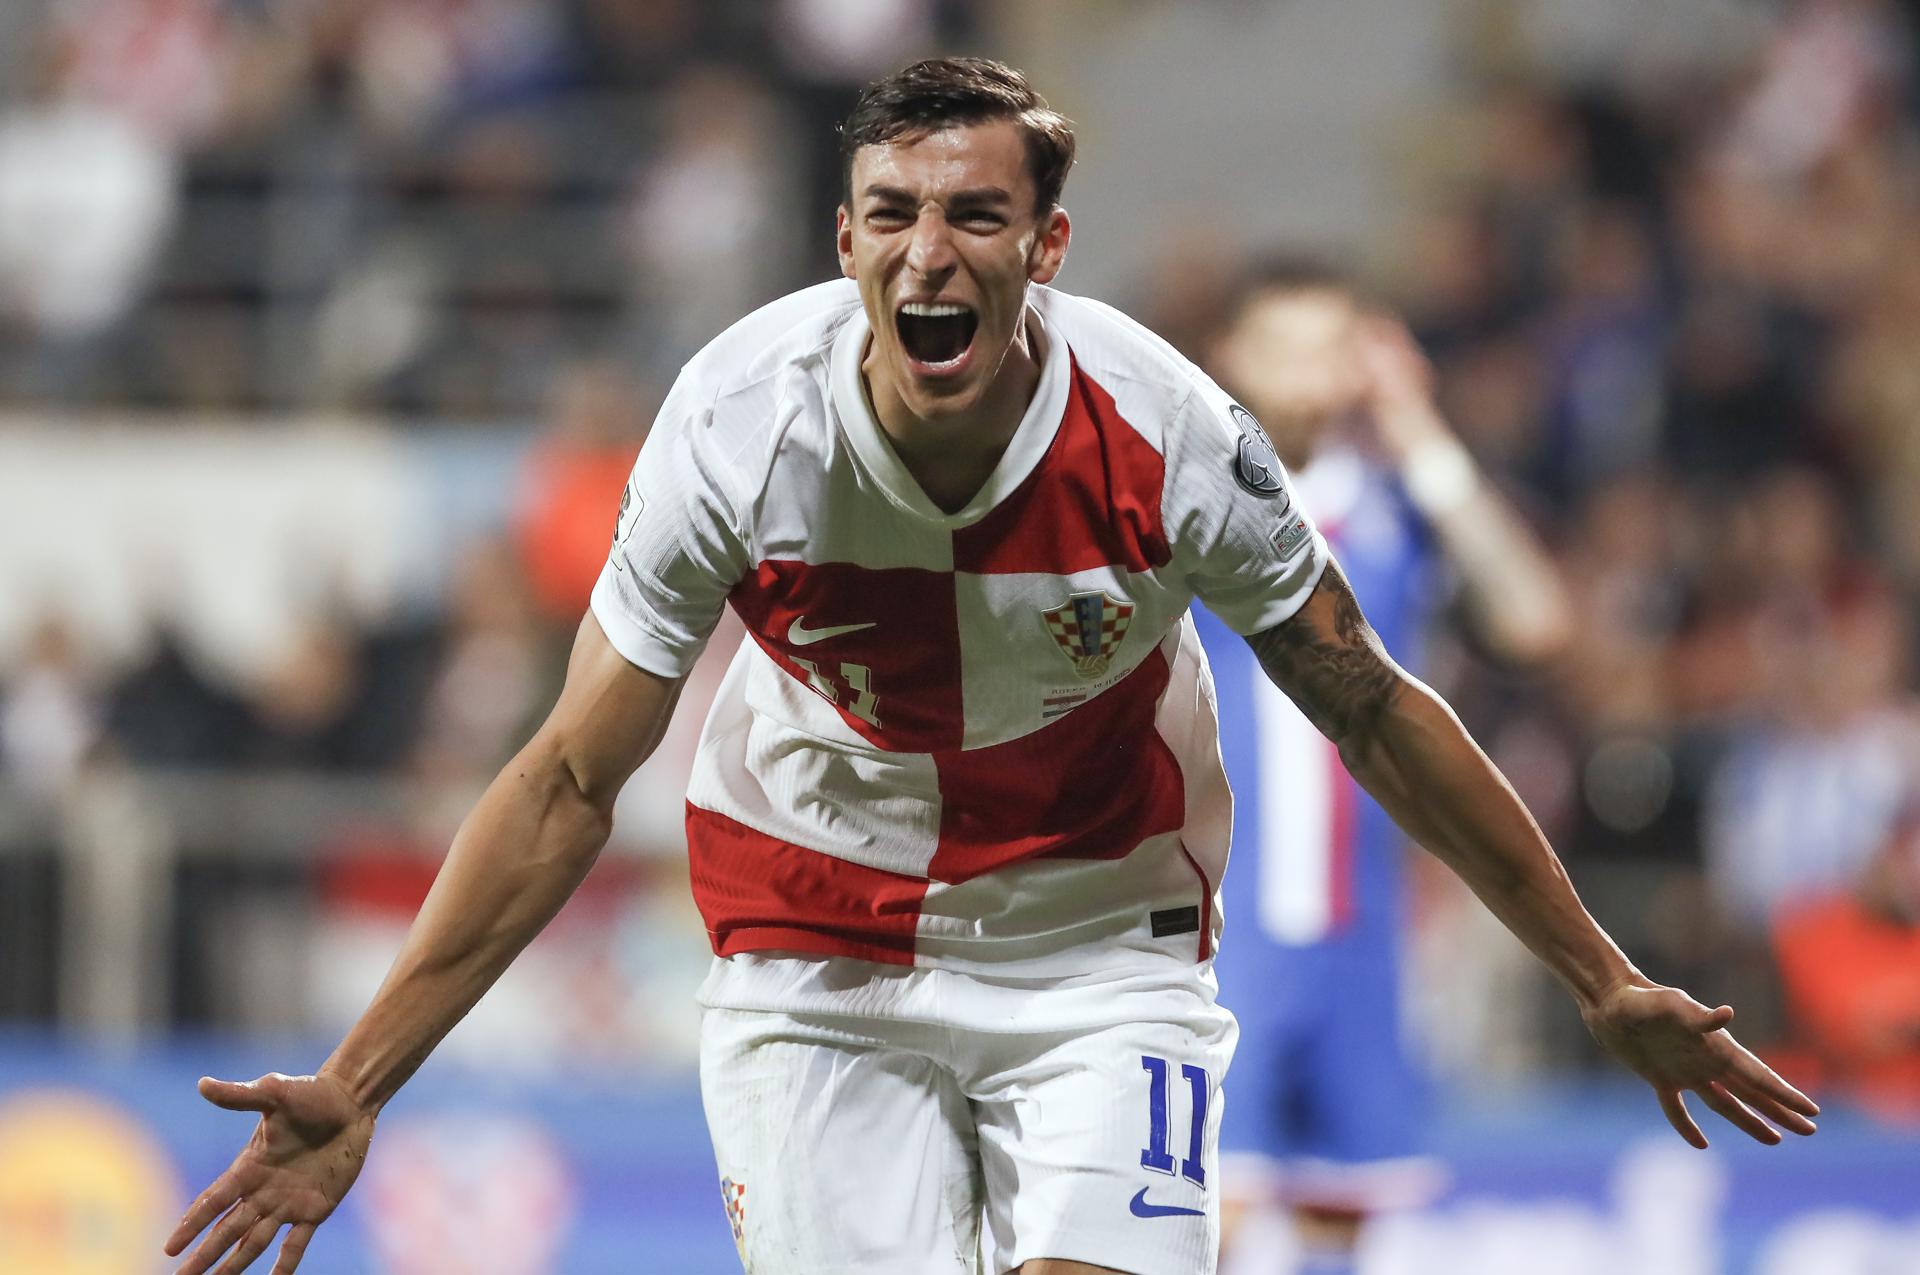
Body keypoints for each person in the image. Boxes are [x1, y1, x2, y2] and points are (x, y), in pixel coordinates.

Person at [164, 58, 1818, 1275]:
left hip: (1103, 941)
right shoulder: (736, 429)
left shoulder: (1173, 439)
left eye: (976, 215)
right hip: (817, 957)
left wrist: (1599, 975)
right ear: (844, 242)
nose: (930, 252)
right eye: (893, 214)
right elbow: (567, 777)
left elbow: (1371, 706)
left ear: (1049, 248)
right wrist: (362, 1078)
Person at [1195, 262, 1573, 1275]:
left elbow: (1536, 623)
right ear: (1230, 359)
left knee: (1343, 1230)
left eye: (1332, 348)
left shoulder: (1397, 511)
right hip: (1218, 938)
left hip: (1362, 938)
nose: (1311, 376)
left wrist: (1423, 436)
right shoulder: (1185, 511)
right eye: (1286, 349)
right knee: (1199, 1230)